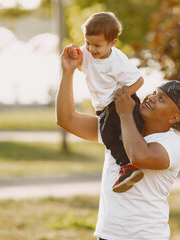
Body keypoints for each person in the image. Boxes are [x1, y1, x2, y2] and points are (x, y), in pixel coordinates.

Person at [56, 45, 180, 239]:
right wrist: (68, 73)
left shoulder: (174, 143)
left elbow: (138, 156)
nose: (151, 98)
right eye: (154, 92)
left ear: (174, 118)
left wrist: (125, 113)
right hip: (107, 235)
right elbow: (66, 119)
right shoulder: (117, 127)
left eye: (161, 99)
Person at [67, 12, 145, 192]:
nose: (91, 49)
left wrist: (122, 97)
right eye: (87, 43)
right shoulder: (87, 51)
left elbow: (139, 81)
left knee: (108, 135)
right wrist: (74, 55)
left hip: (118, 103)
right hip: (103, 107)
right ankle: (129, 166)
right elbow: (81, 66)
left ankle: (128, 165)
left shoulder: (117, 61)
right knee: (109, 136)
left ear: (112, 43)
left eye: (97, 45)